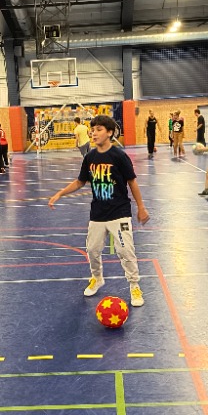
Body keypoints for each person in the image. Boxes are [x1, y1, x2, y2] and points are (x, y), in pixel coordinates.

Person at [48, 115, 150, 307]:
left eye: (99, 130)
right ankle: (97, 278)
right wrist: (60, 193)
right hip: (98, 214)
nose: (93, 133)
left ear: (109, 132)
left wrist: (141, 207)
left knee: (125, 251)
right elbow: (80, 181)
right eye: (92, 130)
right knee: (92, 250)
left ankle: (134, 285)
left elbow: (132, 182)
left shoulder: (119, 156)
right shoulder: (90, 157)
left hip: (119, 212)